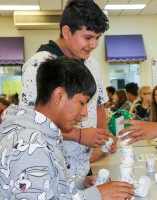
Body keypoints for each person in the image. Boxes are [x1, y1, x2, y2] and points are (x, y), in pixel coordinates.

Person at [0, 57, 133, 200]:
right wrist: (97, 195)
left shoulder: (45, 134)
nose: (85, 113)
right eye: (82, 103)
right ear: (59, 96)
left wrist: (80, 184)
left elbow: (52, 186)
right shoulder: (29, 143)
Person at [21, 0, 113, 177]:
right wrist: (79, 135)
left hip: (83, 167)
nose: (93, 44)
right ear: (66, 32)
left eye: (98, 38)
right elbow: (32, 122)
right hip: (52, 167)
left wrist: (102, 138)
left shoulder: (92, 63)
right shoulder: (39, 65)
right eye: (88, 37)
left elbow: (99, 104)